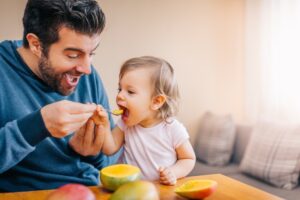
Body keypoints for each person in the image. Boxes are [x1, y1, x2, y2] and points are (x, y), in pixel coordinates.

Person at [0, 0, 119, 192]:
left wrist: (93, 152)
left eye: (92, 53)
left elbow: (112, 162)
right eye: (73, 55)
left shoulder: (87, 75)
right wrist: (37, 125)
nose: (87, 69)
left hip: (92, 191)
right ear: (36, 45)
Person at [94, 56, 196, 185]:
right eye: (120, 89)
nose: (119, 95)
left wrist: (173, 173)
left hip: (161, 190)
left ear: (156, 101)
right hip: (129, 189)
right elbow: (109, 149)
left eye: (130, 91)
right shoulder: (125, 123)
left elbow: (188, 158)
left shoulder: (172, 128)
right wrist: (104, 124)